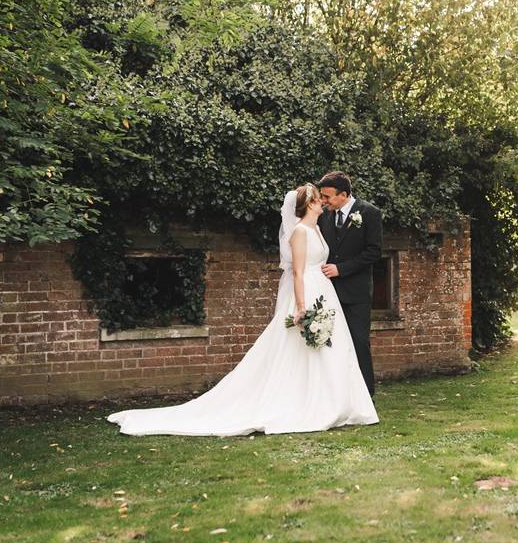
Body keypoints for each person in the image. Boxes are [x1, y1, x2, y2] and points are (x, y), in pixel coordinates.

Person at [107, 184, 378, 436]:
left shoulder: (318, 228)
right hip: (307, 292)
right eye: (319, 200)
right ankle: (302, 403)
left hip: (324, 292)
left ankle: (334, 402)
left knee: (328, 350)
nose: (324, 203)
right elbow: (296, 272)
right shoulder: (299, 233)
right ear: (309, 204)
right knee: (297, 350)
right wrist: (301, 306)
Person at [316, 172, 383, 396]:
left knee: (359, 344)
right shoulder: (324, 217)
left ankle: (366, 397)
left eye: (327, 197)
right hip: (329, 293)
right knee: (331, 346)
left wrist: (341, 269)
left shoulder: (369, 213)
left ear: (344, 195)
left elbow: (374, 252)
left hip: (356, 294)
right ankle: (337, 397)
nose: (324, 202)